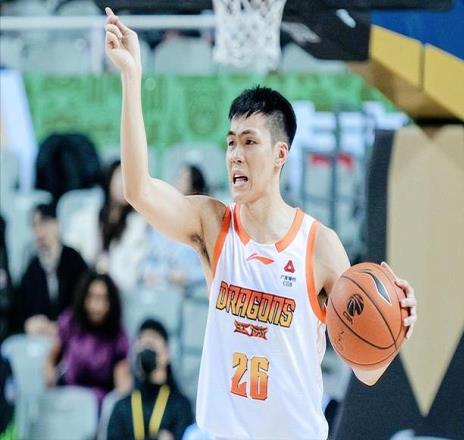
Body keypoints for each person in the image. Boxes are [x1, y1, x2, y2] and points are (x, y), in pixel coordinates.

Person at [104, 8, 418, 440]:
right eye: (231, 143)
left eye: (249, 142)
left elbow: (366, 372)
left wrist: (397, 327)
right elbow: (137, 189)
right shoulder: (212, 223)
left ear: (279, 155)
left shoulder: (319, 245)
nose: (235, 154)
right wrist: (131, 77)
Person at [45, 271, 130, 407]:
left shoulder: (117, 334)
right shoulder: (70, 322)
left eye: (103, 298)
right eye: (92, 297)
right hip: (69, 398)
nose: (97, 305)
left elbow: (122, 383)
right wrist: (50, 374)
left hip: (100, 404)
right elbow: (51, 358)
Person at [65, 160, 149, 292]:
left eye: (129, 180)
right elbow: (70, 253)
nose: (124, 184)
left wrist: (106, 269)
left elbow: (132, 273)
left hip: (117, 290)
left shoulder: (138, 225)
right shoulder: (85, 217)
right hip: (84, 285)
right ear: (110, 178)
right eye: (121, 177)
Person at [107, 319, 193, 440]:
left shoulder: (181, 406)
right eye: (142, 344)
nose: (146, 348)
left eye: (152, 343)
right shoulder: (122, 407)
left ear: (167, 353)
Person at [12, 204, 87, 337]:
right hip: (41, 337)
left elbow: (84, 302)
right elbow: (20, 308)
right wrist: (28, 323)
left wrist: (60, 325)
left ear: (56, 224)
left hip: (73, 334)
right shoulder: (33, 266)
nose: (39, 231)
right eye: (34, 225)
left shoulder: (73, 259)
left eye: (43, 223)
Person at [140, 164, 208, 289]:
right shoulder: (159, 220)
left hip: (191, 291)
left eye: (183, 179)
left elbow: (211, 269)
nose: (176, 183)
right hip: (160, 289)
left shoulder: (203, 227)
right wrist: (152, 272)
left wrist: (188, 276)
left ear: (194, 189)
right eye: (177, 177)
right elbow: (146, 259)